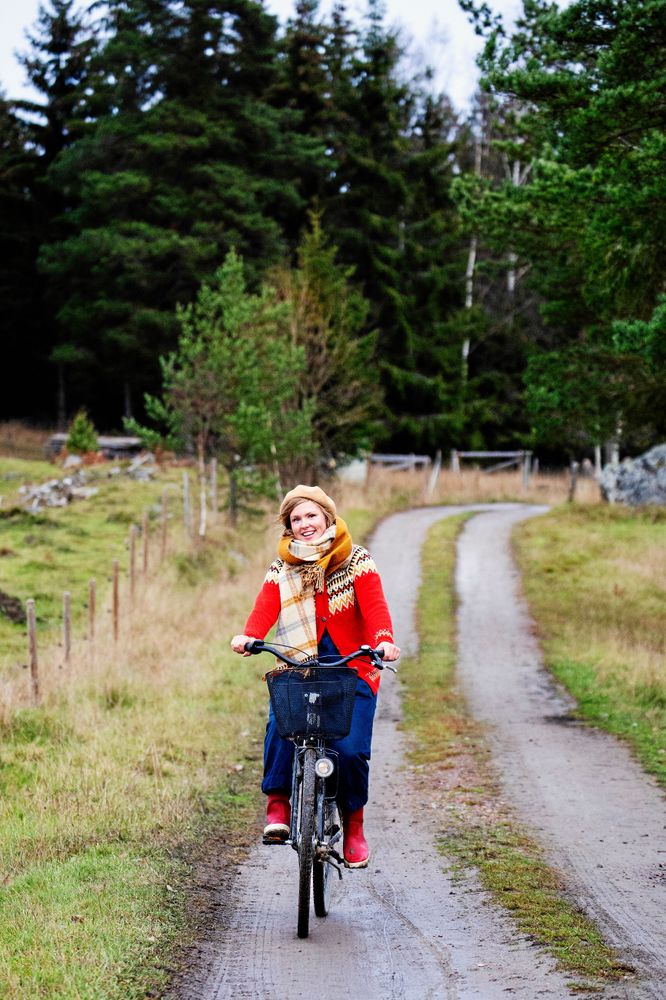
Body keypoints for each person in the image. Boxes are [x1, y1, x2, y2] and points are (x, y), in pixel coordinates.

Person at [231, 484, 400, 868]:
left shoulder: (357, 560)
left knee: (351, 750)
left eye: (311, 515)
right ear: (288, 527)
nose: (305, 524)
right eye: (296, 519)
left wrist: (384, 641)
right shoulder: (282, 566)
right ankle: (278, 807)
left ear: (327, 516)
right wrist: (250, 636)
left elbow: (375, 608)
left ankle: (354, 827)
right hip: (298, 665)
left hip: (351, 669)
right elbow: (265, 607)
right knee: (279, 728)